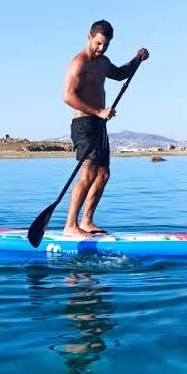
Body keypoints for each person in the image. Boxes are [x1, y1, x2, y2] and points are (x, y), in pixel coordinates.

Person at [63, 19, 149, 237]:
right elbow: (68, 97)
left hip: (99, 125)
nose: (101, 49)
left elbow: (120, 74)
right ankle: (70, 225)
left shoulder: (103, 63)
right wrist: (98, 111)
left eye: (105, 45)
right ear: (89, 37)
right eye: (98, 43)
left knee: (103, 174)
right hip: (84, 124)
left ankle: (87, 221)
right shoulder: (78, 64)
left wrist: (137, 60)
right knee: (89, 173)